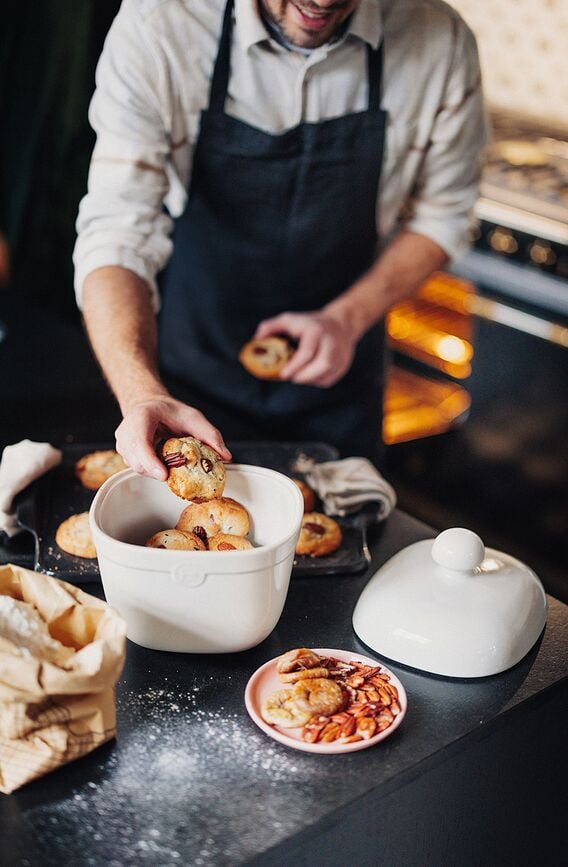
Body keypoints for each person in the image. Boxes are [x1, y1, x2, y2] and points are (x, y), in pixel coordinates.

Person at [74, 0, 487, 479]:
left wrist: (347, 319)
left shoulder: (440, 40)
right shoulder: (161, 25)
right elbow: (117, 231)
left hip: (340, 387)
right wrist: (141, 392)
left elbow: (444, 216)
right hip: (189, 380)